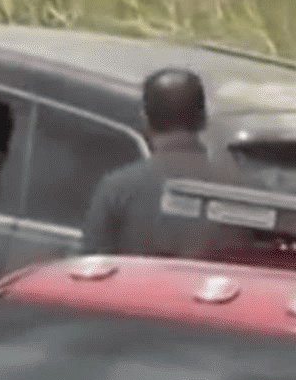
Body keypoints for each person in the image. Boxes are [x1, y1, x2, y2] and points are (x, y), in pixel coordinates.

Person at [81, 67, 245, 257]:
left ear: (145, 121)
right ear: (203, 119)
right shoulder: (240, 188)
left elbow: (91, 264)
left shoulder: (118, 189)